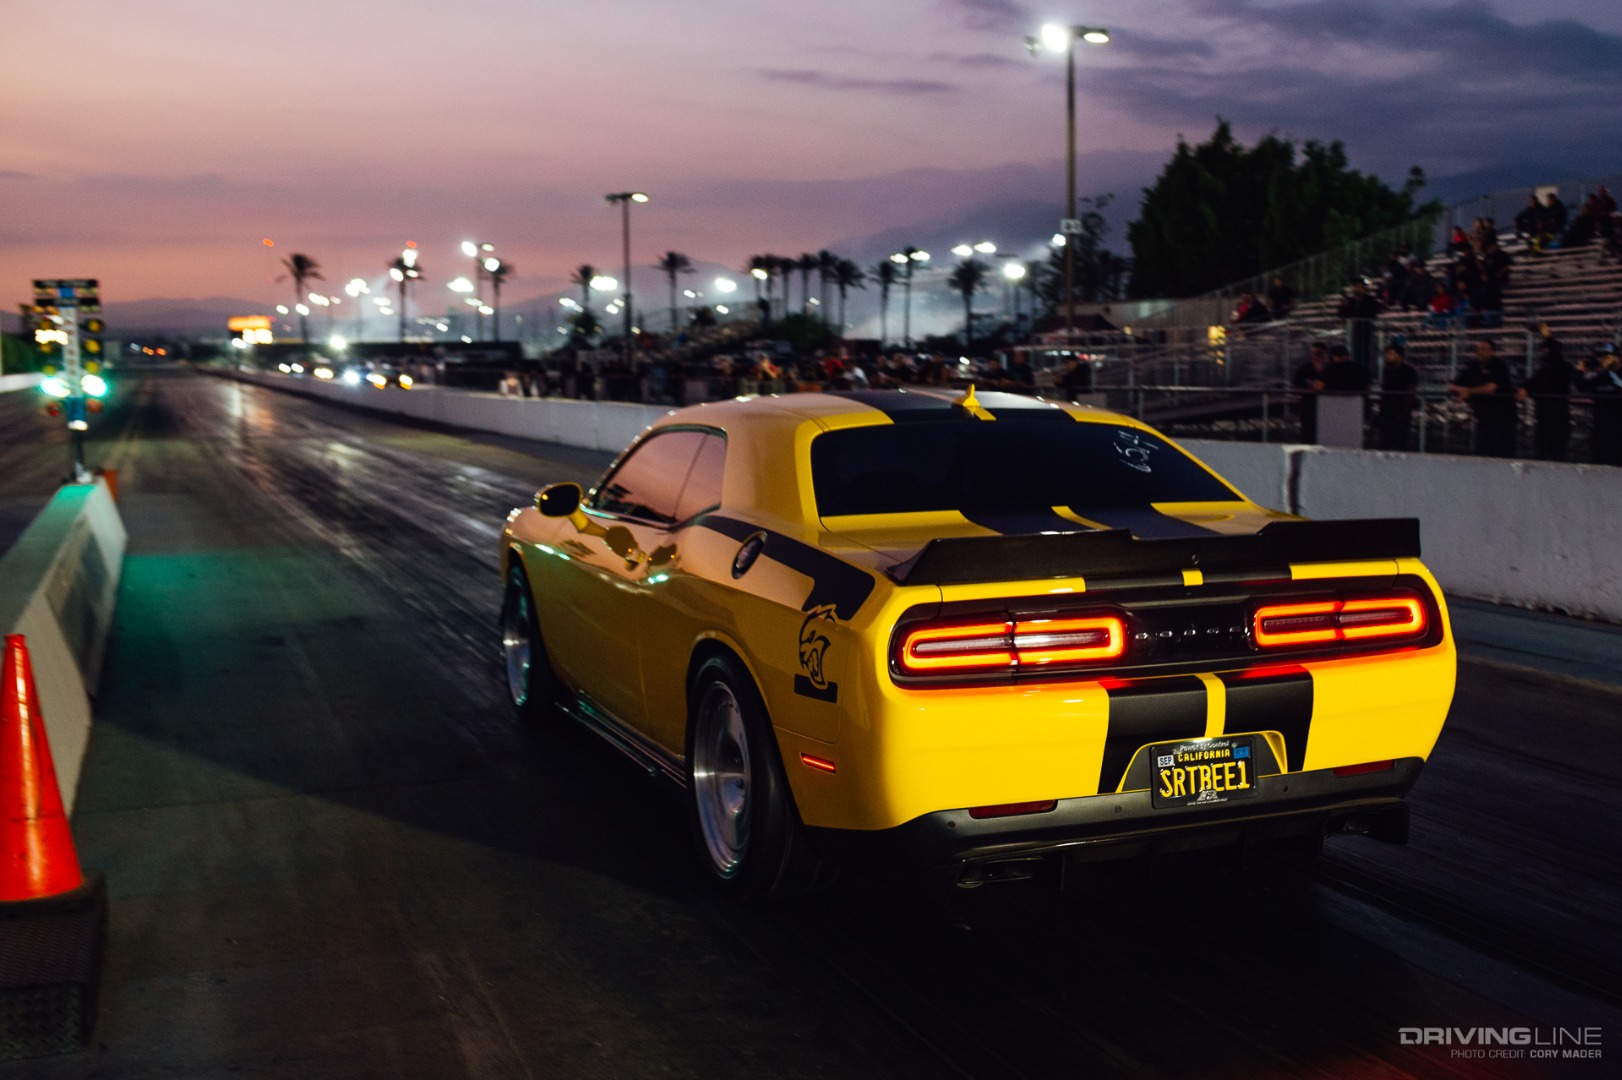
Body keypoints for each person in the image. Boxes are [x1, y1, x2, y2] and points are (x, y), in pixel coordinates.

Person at [1448, 340, 1518, 458]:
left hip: (1503, 418)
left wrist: (1469, 391)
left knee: (1502, 452)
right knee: (1482, 452)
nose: (1480, 352)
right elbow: (1452, 386)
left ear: (1492, 352)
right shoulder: (1473, 366)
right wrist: (1461, 390)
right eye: (1478, 349)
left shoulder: (1499, 365)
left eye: (1484, 349)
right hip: (1484, 418)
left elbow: (1492, 387)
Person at [1519, 333, 1574, 461]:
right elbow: (1530, 383)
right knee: (1542, 452)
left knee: (1557, 453)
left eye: (1546, 350)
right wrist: (1524, 389)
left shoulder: (1565, 367)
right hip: (1543, 418)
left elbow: (1553, 383)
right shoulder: (1543, 370)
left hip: (1558, 418)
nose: (1543, 353)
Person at [1578, 345, 1622, 466]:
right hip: (1600, 428)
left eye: (1607, 356)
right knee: (1598, 462)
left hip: (1617, 430)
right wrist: (1580, 370)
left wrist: (1610, 372)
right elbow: (1581, 386)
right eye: (1602, 356)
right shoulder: (1599, 375)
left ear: (1617, 358)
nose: (1603, 359)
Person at [1377, 342, 1419, 451]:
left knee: (1401, 442)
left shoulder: (1408, 371)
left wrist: (1405, 412)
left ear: (1399, 356)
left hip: (1400, 412)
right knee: (1385, 442)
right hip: (1387, 412)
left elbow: (1411, 391)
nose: (1387, 356)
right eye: (1386, 354)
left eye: (1390, 353)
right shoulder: (1387, 371)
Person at [1336, 280, 1382, 370]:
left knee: (1365, 353)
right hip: (1353, 332)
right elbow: (1342, 315)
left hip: (1366, 331)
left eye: (1360, 287)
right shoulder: (1350, 301)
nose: (1358, 289)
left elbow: (1373, 313)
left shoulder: (1370, 300)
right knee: (1353, 352)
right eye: (1356, 287)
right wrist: (1342, 307)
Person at [1291, 341, 1328, 442]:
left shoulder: (1330, 370)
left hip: (1327, 406)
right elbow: (1295, 386)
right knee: (1308, 433)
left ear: (1325, 354)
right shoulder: (1304, 370)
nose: (1315, 356)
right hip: (1308, 407)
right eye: (1313, 353)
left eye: (1319, 353)